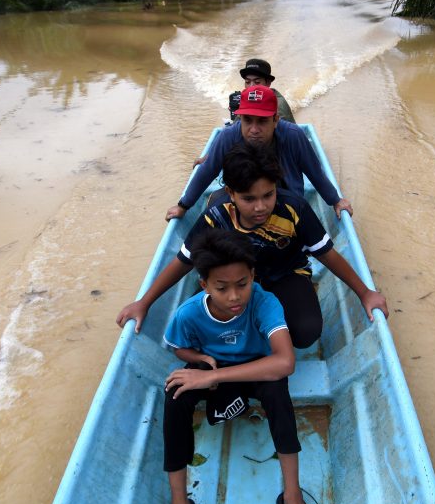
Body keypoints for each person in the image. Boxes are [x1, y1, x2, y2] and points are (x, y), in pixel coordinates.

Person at [157, 228, 335, 504]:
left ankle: (293, 497)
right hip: (215, 371)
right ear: (203, 283)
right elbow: (178, 348)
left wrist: (213, 377)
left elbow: (284, 361)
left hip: (254, 368)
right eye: (222, 288)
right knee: (174, 393)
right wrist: (199, 363)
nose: (235, 296)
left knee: (276, 388)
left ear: (253, 275)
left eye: (243, 283)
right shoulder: (188, 314)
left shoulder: (264, 302)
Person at [119, 142, 387, 349]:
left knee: (306, 334)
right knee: (194, 330)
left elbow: (327, 255)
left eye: (268, 195)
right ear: (231, 193)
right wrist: (144, 302)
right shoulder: (217, 215)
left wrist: (365, 293)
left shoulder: (294, 209)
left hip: (286, 274)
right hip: (233, 283)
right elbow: (183, 260)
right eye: (248, 198)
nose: (261, 207)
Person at [166, 84, 353, 222]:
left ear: (276, 120)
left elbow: (315, 172)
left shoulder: (294, 136)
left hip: (286, 199)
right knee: (214, 210)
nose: (254, 129)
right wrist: (183, 206)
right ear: (240, 118)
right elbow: (207, 171)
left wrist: (335, 201)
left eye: (262, 121)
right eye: (247, 120)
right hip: (243, 201)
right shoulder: (228, 137)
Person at [229, 58, 295, 123]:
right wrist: (239, 112)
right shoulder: (248, 98)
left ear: (268, 83)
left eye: (257, 82)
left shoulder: (278, 107)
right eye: (247, 82)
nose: (251, 86)